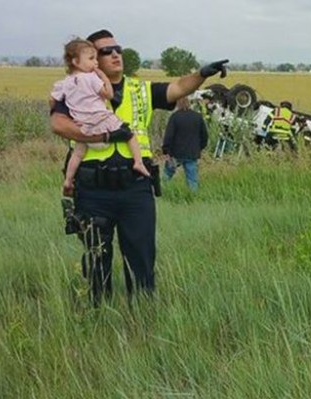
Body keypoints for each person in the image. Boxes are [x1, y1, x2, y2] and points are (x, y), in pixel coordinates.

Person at [50, 29, 228, 305]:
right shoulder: (76, 87)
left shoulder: (140, 89)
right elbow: (58, 124)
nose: (115, 54)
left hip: (136, 188)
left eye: (117, 49)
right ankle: (97, 317)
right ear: (90, 59)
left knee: (141, 259)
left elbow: (179, 87)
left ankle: (142, 319)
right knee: (96, 259)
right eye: (105, 51)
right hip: (93, 189)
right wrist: (105, 136)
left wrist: (202, 74)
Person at [51, 38, 149, 196]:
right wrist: (103, 78)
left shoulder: (64, 83)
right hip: (102, 121)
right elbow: (108, 94)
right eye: (91, 59)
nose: (95, 63)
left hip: (84, 127)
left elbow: (53, 100)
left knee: (77, 154)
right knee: (129, 135)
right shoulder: (91, 78)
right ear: (76, 61)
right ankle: (138, 163)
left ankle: (68, 180)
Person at [162, 97, 208, 191]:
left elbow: (169, 136)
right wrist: (199, 147)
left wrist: (166, 150)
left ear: (178, 104)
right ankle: (192, 197)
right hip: (192, 153)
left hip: (175, 153)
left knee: (167, 175)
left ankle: (161, 193)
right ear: (189, 103)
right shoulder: (197, 117)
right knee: (192, 179)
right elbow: (205, 135)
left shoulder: (175, 117)